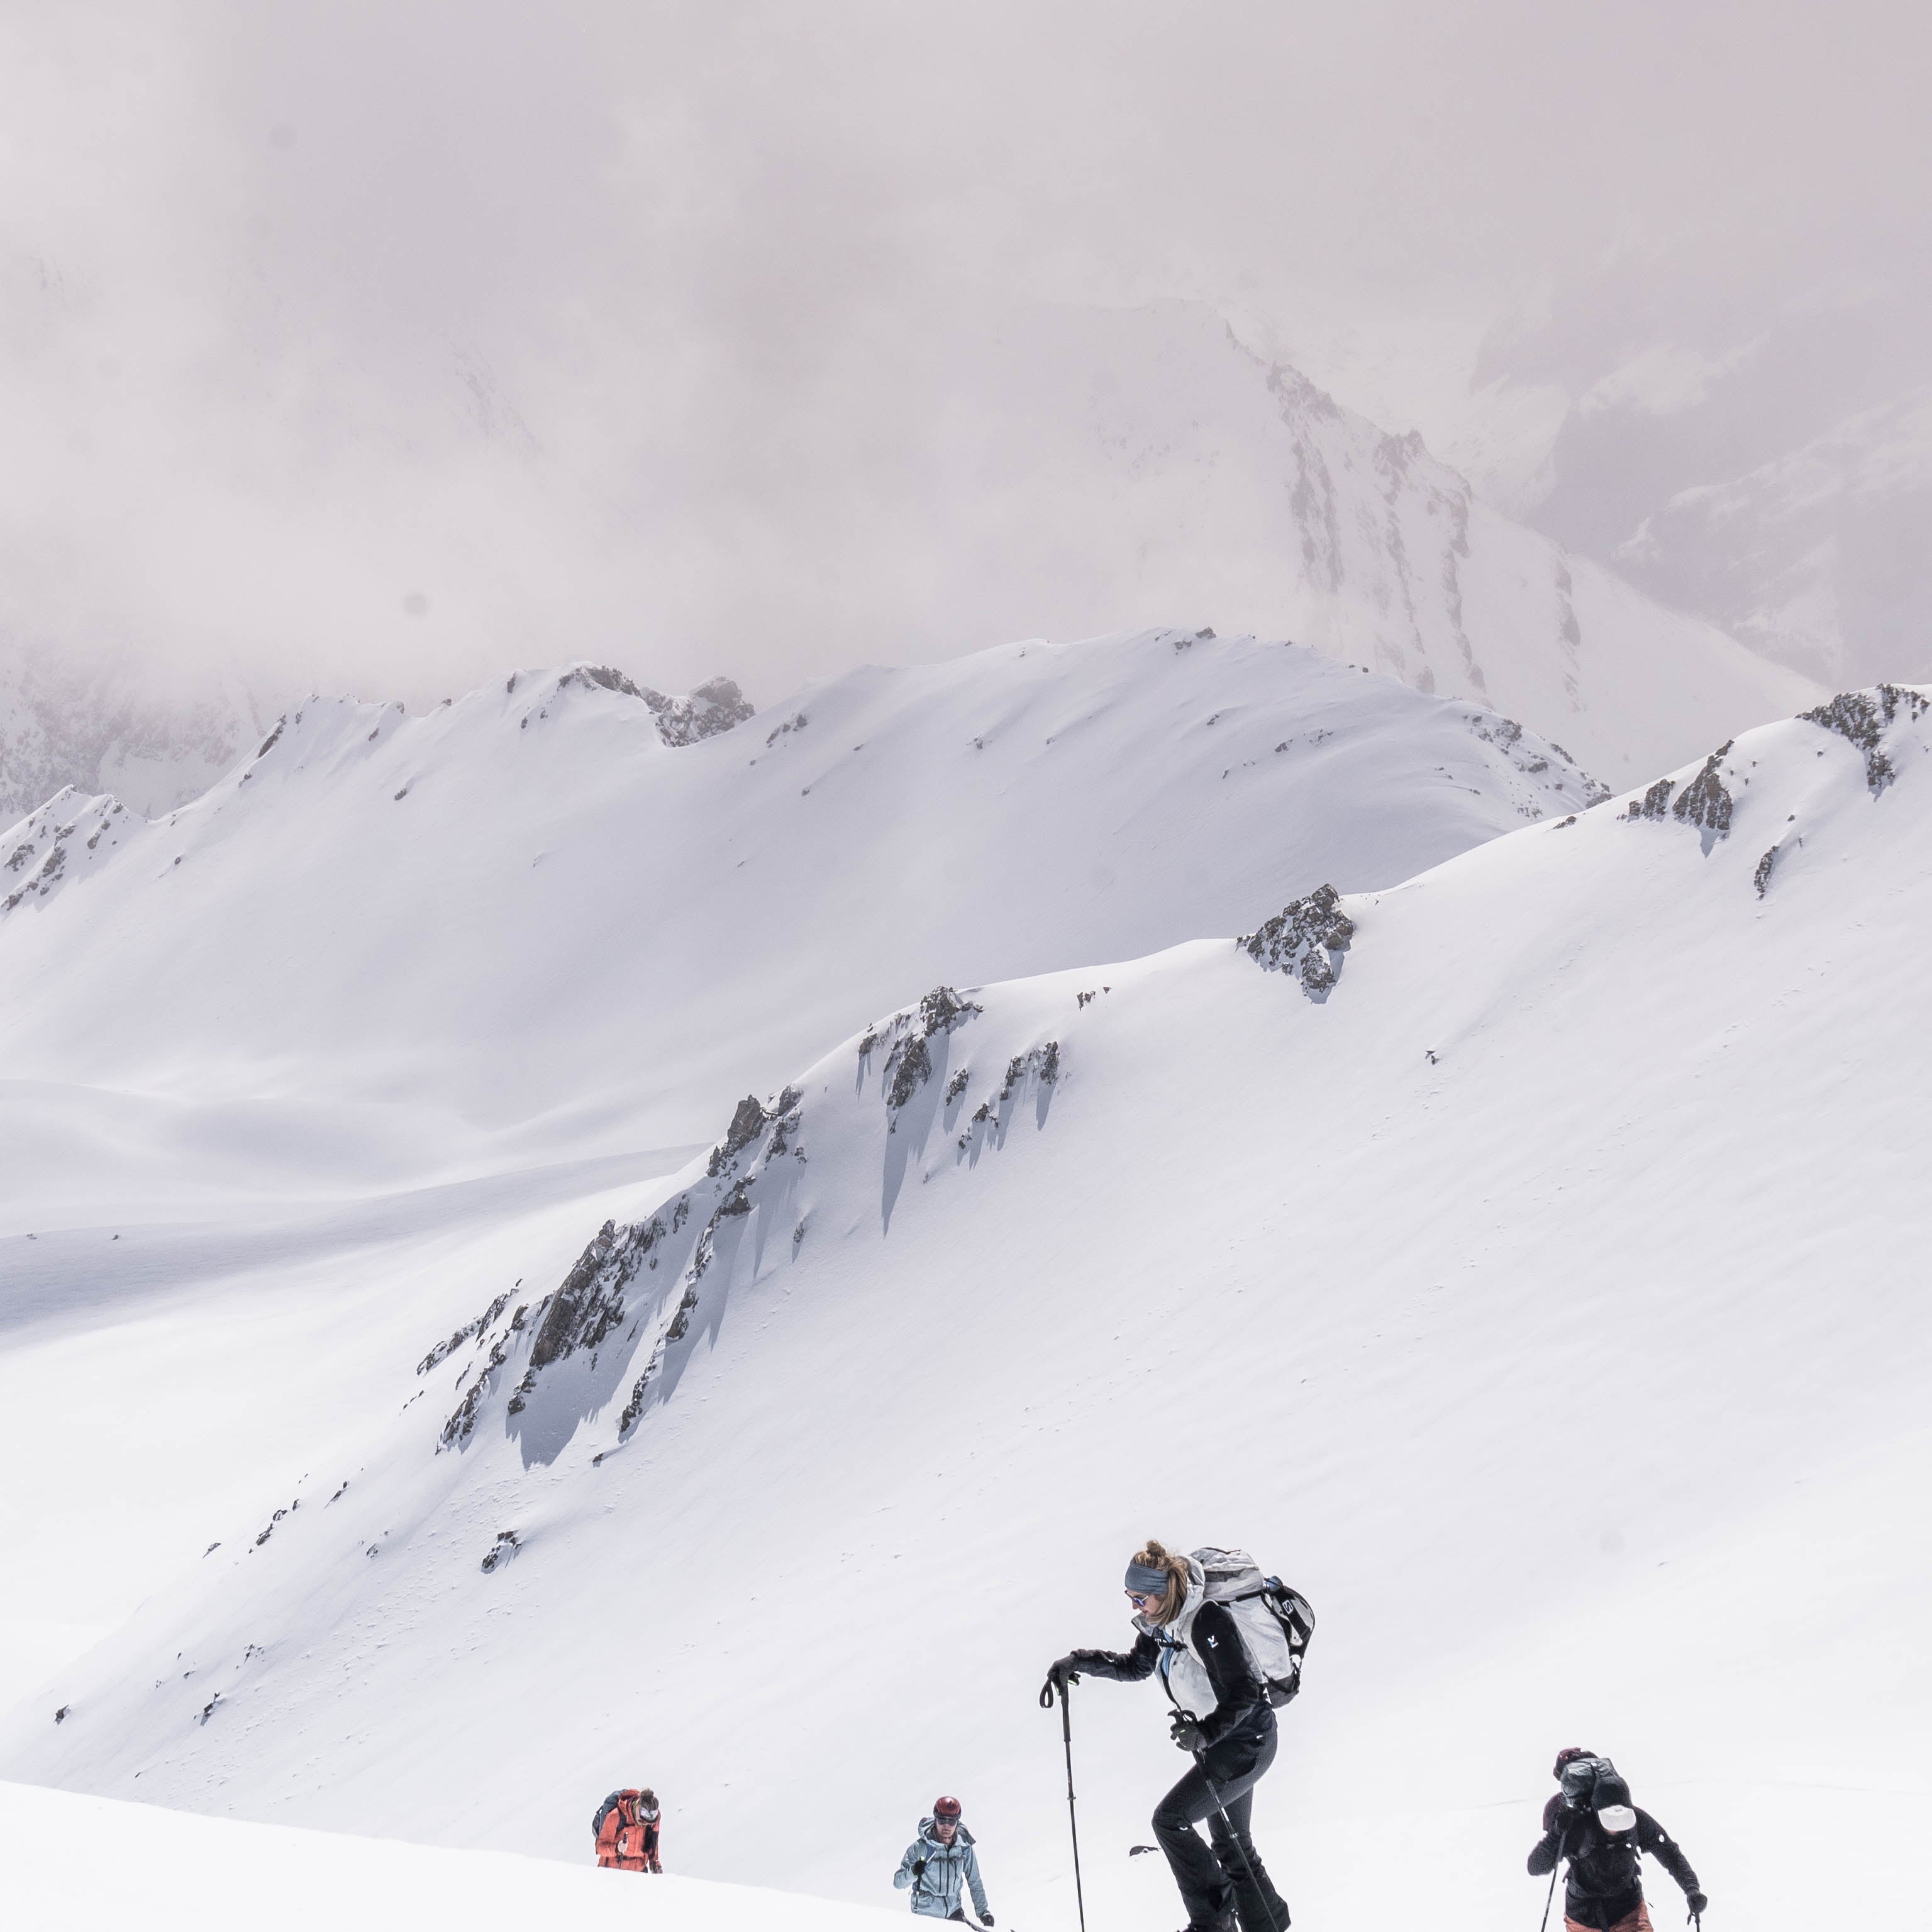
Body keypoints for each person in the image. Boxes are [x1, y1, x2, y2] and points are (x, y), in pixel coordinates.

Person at [1045, 1541, 1291, 1932]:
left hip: (1248, 1741)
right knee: (1232, 1843)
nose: (1135, 1606)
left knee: (1170, 1820)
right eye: (1130, 1598)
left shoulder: (1206, 1620)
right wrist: (1079, 1662)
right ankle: (1269, 1926)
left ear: (1164, 1592)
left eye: (1140, 1598)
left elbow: (1244, 1691)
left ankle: (1212, 1923)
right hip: (1227, 1742)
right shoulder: (1162, 1624)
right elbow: (1134, 1667)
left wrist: (1205, 1732)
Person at [1528, 1748, 1707, 1930]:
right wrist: (1556, 1835)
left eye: (1623, 1820)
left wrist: (1691, 1888)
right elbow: (1535, 1867)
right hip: (1584, 1916)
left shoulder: (1638, 1819)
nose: (1617, 1828)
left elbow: (1668, 1851)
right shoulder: (1577, 1827)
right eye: (1611, 1821)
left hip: (1629, 1909)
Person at [894, 1794, 994, 1923]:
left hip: (954, 1911)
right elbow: (898, 1883)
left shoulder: (964, 1848)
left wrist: (983, 1912)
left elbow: (975, 1881)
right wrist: (913, 1872)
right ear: (935, 1819)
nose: (946, 1826)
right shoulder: (921, 1847)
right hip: (926, 1914)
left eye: (951, 1821)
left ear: (957, 1822)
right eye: (942, 1820)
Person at [592, 1786, 663, 1872]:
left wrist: (655, 1864)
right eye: (641, 1821)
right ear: (637, 1807)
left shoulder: (653, 1819)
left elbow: (653, 1844)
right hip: (611, 1871)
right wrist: (616, 1848)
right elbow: (600, 1847)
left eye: (647, 1823)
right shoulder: (616, 1816)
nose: (644, 1824)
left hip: (639, 1873)